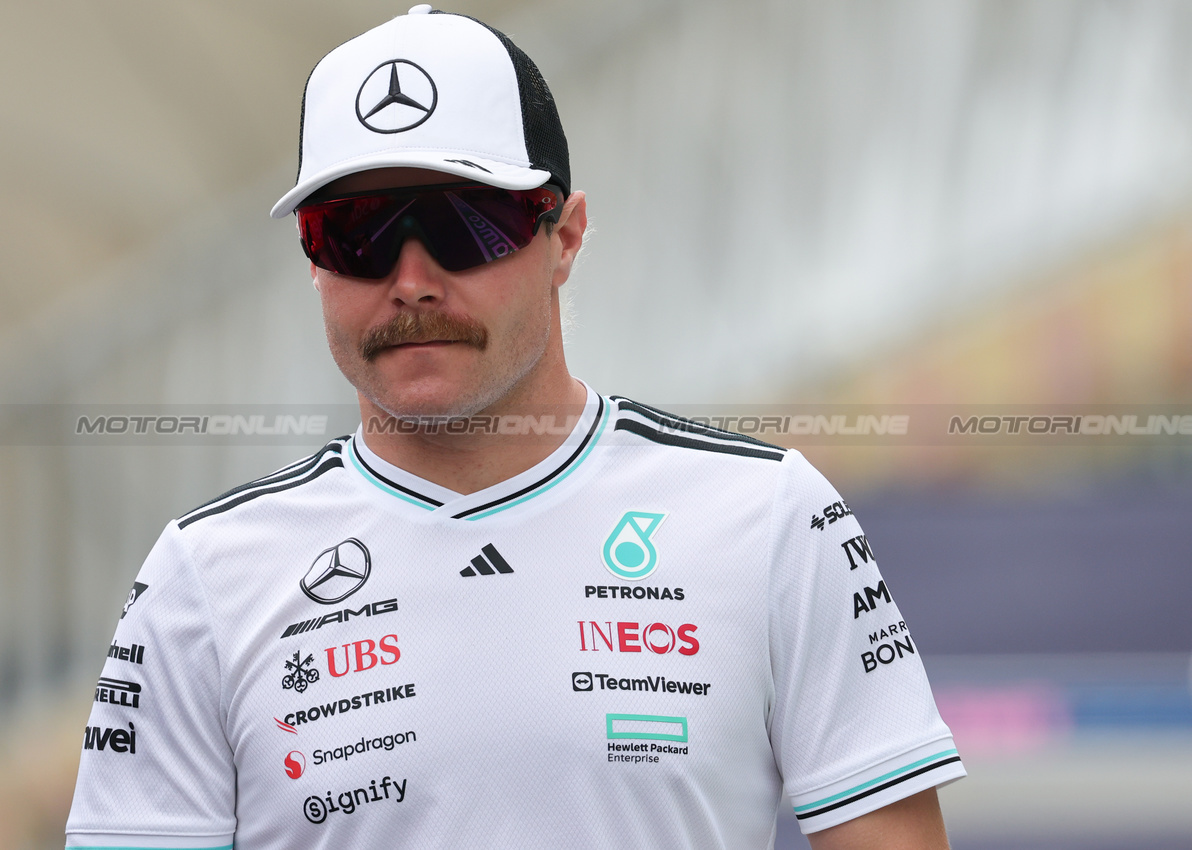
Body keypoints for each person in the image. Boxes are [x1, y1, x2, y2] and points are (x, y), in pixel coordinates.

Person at [67, 7, 964, 848]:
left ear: (563, 237)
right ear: (311, 260)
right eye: (355, 234)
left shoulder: (770, 516)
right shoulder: (201, 576)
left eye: (466, 225)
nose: (411, 281)